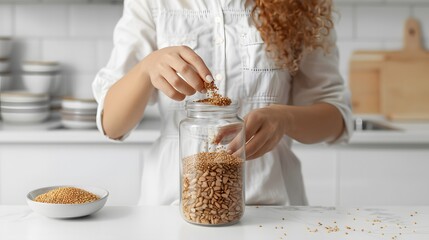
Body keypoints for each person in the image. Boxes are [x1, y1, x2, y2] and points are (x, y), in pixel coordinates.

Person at [92, 0, 352, 206]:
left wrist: (285, 119)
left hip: (272, 209)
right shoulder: (152, 3)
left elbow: (337, 120)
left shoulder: (299, 5)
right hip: (172, 208)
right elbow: (112, 125)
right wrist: (145, 69)